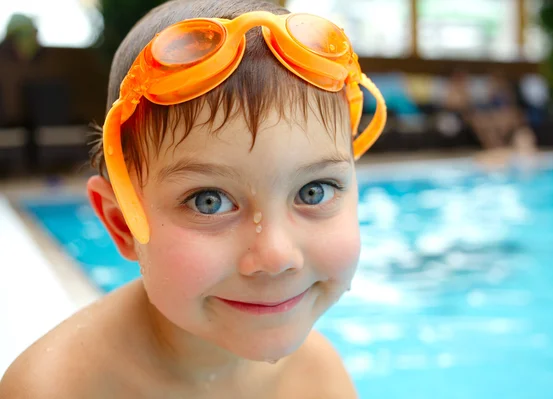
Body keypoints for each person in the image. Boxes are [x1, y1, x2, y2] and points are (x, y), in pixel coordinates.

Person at [0, 0, 386, 397]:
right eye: (209, 201)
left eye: (313, 191)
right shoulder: (53, 388)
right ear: (122, 223)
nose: (276, 256)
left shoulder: (319, 380)